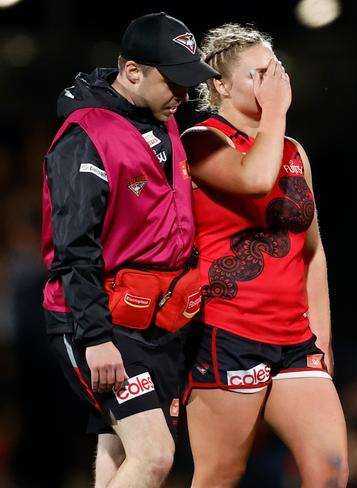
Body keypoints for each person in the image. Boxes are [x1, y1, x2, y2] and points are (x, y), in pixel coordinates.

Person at [41, 12, 218, 487]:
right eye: (173, 81)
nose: (182, 95)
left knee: (118, 453)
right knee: (155, 455)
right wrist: (96, 336)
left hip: (155, 321)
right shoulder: (85, 136)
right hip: (98, 320)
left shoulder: (161, 117)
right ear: (132, 71)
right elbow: (74, 245)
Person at [180, 23, 348, 487]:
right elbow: (254, 179)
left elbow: (312, 252)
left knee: (331, 471)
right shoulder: (202, 140)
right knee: (221, 474)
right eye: (258, 73)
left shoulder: (295, 151)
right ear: (221, 85)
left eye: (275, 69)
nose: (274, 81)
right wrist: (275, 112)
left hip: (294, 339)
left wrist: (322, 337)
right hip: (229, 331)